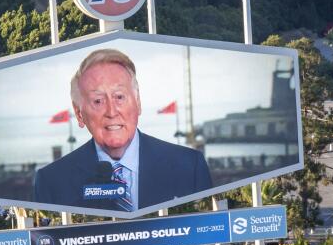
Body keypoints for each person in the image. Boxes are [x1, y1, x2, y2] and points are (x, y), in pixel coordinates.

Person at [33, 49, 212, 211]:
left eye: (119, 97)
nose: (111, 112)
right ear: (79, 113)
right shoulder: (51, 181)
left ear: (138, 102)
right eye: (98, 101)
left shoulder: (190, 166)